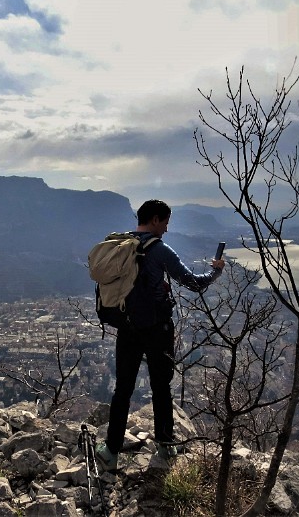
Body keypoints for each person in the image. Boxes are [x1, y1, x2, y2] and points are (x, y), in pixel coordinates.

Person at [98, 199, 224, 469]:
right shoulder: (160, 250)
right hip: (157, 329)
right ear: (155, 219)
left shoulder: (121, 245)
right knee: (161, 388)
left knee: (123, 389)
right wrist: (215, 272)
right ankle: (166, 447)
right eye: (165, 222)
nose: (166, 229)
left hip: (127, 327)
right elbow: (193, 283)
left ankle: (111, 451)